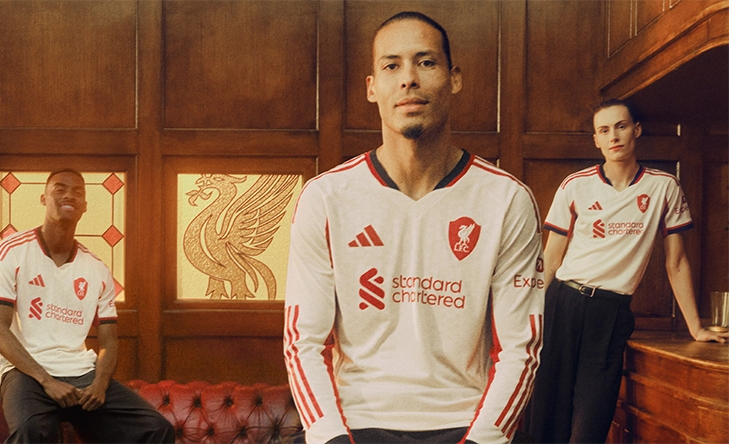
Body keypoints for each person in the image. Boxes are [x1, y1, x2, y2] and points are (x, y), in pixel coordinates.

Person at [283, 11, 544, 444]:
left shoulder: (506, 200)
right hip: (355, 425)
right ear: (372, 88)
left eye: (425, 62)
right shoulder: (326, 198)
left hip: (464, 423)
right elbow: (303, 342)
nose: (408, 79)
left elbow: (521, 348)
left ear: (453, 78)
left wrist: (482, 439)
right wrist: (329, 437)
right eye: (391, 66)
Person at [524, 98, 729, 444]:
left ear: (636, 130)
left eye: (621, 126)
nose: (614, 136)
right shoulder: (575, 185)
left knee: (591, 419)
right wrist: (527, 318)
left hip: (611, 311)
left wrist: (695, 326)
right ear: (596, 140)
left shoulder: (664, 187)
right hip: (564, 303)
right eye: (604, 130)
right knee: (547, 415)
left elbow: (676, 262)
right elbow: (552, 259)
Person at [0, 169, 174, 444]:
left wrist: (99, 383)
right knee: (32, 431)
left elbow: (109, 341)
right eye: (59, 189)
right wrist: (47, 380)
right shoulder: (11, 251)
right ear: (43, 198)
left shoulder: (96, 268)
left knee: (155, 428)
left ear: (84, 206)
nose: (69, 195)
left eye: (77, 191)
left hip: (81, 373)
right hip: (26, 372)